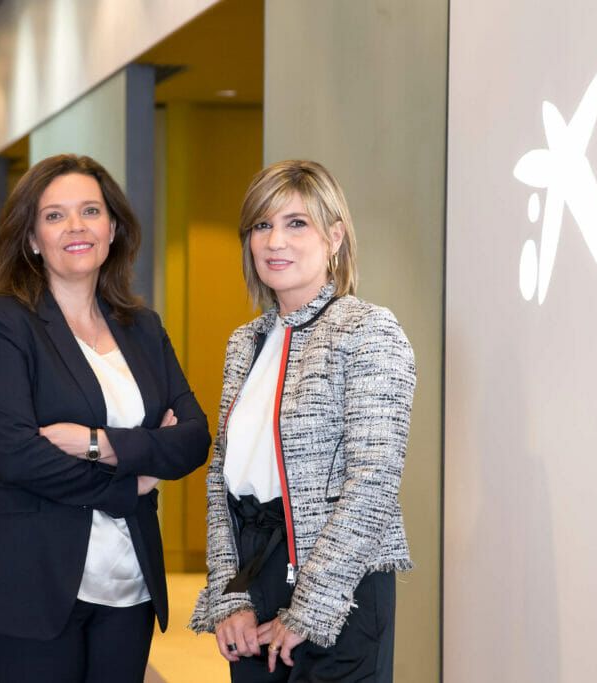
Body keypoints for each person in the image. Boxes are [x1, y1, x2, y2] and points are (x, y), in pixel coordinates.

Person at [0, 154, 211, 682]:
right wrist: (130, 484)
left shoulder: (142, 327)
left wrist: (96, 444)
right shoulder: (0, 324)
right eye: (55, 215)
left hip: (125, 584)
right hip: (25, 579)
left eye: (90, 210)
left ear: (113, 228)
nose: (76, 227)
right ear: (33, 238)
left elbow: (195, 438)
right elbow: (14, 454)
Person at [189, 160, 416, 682]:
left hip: (342, 585)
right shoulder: (244, 344)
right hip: (255, 577)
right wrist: (230, 596)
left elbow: (373, 483)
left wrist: (310, 607)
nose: (275, 241)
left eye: (297, 224)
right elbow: (221, 478)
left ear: (334, 236)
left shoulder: (368, 331)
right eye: (262, 225)